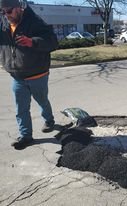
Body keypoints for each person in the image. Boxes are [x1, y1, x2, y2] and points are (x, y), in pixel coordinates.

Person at [0, 0, 58, 149]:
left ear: (19, 8)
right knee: (21, 108)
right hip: (17, 75)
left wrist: (33, 42)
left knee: (42, 100)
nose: (6, 15)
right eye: (3, 11)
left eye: (9, 11)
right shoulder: (3, 22)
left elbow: (52, 41)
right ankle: (26, 136)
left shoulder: (34, 21)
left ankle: (49, 120)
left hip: (37, 73)